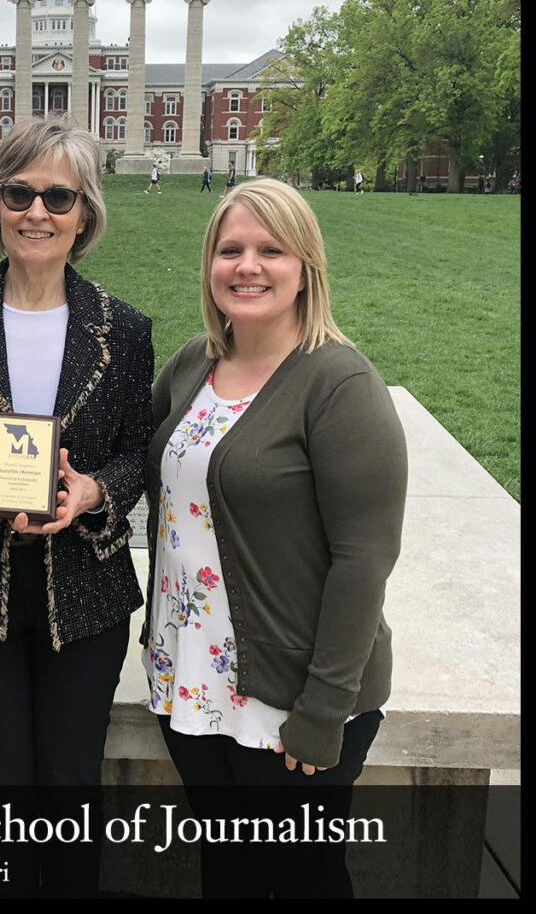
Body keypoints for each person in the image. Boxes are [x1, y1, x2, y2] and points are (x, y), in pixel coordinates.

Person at [0, 116, 154, 897]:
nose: (36, 212)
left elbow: (140, 451)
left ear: (85, 214)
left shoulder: (124, 329)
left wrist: (94, 491)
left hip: (89, 591)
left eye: (58, 197)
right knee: (2, 781)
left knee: (72, 778)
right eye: (19, 193)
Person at [142, 178, 407, 898]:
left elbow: (364, 559)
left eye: (270, 250)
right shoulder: (196, 362)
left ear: (305, 268)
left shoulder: (338, 383)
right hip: (192, 681)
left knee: (301, 878)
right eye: (230, 249)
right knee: (227, 869)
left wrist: (323, 712)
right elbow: (150, 471)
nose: (247, 266)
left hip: (289, 697)